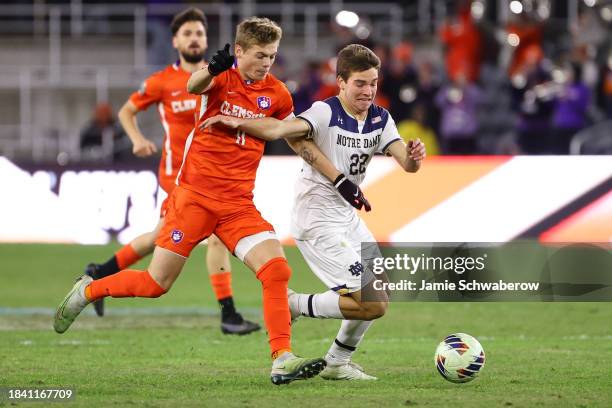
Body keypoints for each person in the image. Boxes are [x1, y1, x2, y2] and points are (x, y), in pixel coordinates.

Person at [54, 17, 371, 385]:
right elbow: (194, 84)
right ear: (239, 51)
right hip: (194, 199)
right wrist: (211, 69)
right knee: (157, 283)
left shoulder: (278, 94)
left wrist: (339, 179)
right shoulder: (220, 78)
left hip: (237, 205)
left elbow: (298, 141)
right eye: (259, 55)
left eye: (272, 55)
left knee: (277, 270)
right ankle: (89, 290)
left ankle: (281, 357)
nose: (266, 62)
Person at [202, 44, 426, 380]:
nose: (368, 91)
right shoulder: (324, 112)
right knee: (374, 302)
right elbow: (279, 130)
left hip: (348, 219)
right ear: (340, 83)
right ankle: (295, 305)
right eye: (360, 84)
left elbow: (407, 165)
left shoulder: (380, 118)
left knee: (379, 292)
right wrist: (235, 122)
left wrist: (415, 156)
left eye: (373, 83)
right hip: (317, 220)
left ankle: (337, 363)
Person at [81, 8, 259, 335]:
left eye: (200, 33)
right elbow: (126, 111)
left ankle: (99, 273)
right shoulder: (162, 81)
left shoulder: (219, 77)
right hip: (179, 177)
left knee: (158, 238)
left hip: (208, 176)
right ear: (175, 40)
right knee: (216, 237)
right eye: (188, 33)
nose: (195, 39)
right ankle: (229, 314)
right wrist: (136, 139)